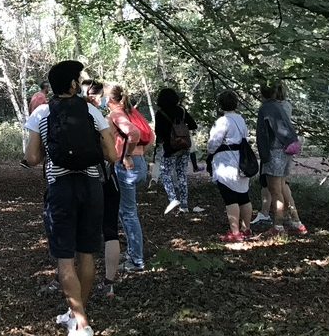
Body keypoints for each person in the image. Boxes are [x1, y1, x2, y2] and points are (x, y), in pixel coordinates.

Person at [24, 61, 116, 336]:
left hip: (60, 189)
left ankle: (82, 323)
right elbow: (111, 155)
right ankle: (77, 315)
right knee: (86, 254)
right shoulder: (91, 111)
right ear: (74, 85)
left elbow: (32, 158)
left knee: (65, 259)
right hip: (91, 187)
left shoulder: (41, 112)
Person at [107, 84, 155, 271]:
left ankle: (136, 260)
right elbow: (151, 137)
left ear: (110, 100)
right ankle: (132, 253)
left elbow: (133, 133)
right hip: (139, 164)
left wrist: (127, 155)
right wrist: (140, 154)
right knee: (125, 211)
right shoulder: (132, 112)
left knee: (128, 214)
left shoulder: (117, 114)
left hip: (126, 166)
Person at [82, 81, 119, 300]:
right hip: (106, 179)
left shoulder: (69, 118)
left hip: (83, 181)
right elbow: (111, 154)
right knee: (110, 230)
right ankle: (108, 284)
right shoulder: (100, 118)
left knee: (81, 231)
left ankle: (73, 282)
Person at [257, 82, 308, 237]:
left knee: (275, 191)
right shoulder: (282, 106)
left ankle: (278, 226)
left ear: (262, 94)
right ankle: (296, 222)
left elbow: (263, 134)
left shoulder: (265, 109)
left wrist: (264, 156)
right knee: (283, 187)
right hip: (287, 150)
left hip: (274, 152)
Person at [206, 90, 252, 242]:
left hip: (226, 162)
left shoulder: (222, 121)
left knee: (230, 197)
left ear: (220, 105)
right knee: (244, 197)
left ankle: (235, 232)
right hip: (242, 162)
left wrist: (209, 151)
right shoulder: (240, 119)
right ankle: (246, 229)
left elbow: (213, 144)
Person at [154, 87, 198, 215]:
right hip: (184, 146)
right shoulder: (182, 111)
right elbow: (193, 125)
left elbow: (159, 133)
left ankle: (173, 199)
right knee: (182, 175)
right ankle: (184, 205)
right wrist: (181, 127)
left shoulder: (160, 114)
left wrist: (158, 148)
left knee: (165, 173)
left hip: (170, 148)